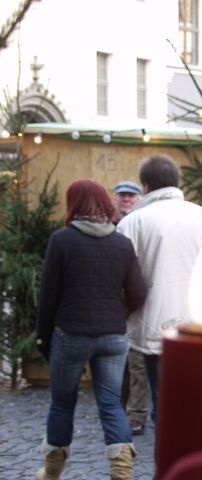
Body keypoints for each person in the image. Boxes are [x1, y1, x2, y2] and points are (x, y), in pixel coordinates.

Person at [35, 179, 148, 480]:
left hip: (70, 335)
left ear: (73, 204)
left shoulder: (62, 240)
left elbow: (48, 296)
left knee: (62, 402)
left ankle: (51, 472)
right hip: (113, 336)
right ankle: (122, 472)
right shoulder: (121, 243)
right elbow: (138, 292)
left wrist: (43, 338)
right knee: (111, 403)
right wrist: (117, 314)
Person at [116, 154, 202, 424]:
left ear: (145, 186)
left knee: (163, 399)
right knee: (193, 398)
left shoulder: (132, 222)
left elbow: (120, 280)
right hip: (200, 326)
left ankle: (166, 460)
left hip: (154, 323)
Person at [112, 179, 148, 437]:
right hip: (113, 303)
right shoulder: (110, 226)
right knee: (119, 360)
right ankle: (120, 406)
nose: (126, 200)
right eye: (122, 196)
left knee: (137, 361)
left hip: (137, 300)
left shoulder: (144, 223)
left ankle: (135, 412)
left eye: (131, 196)